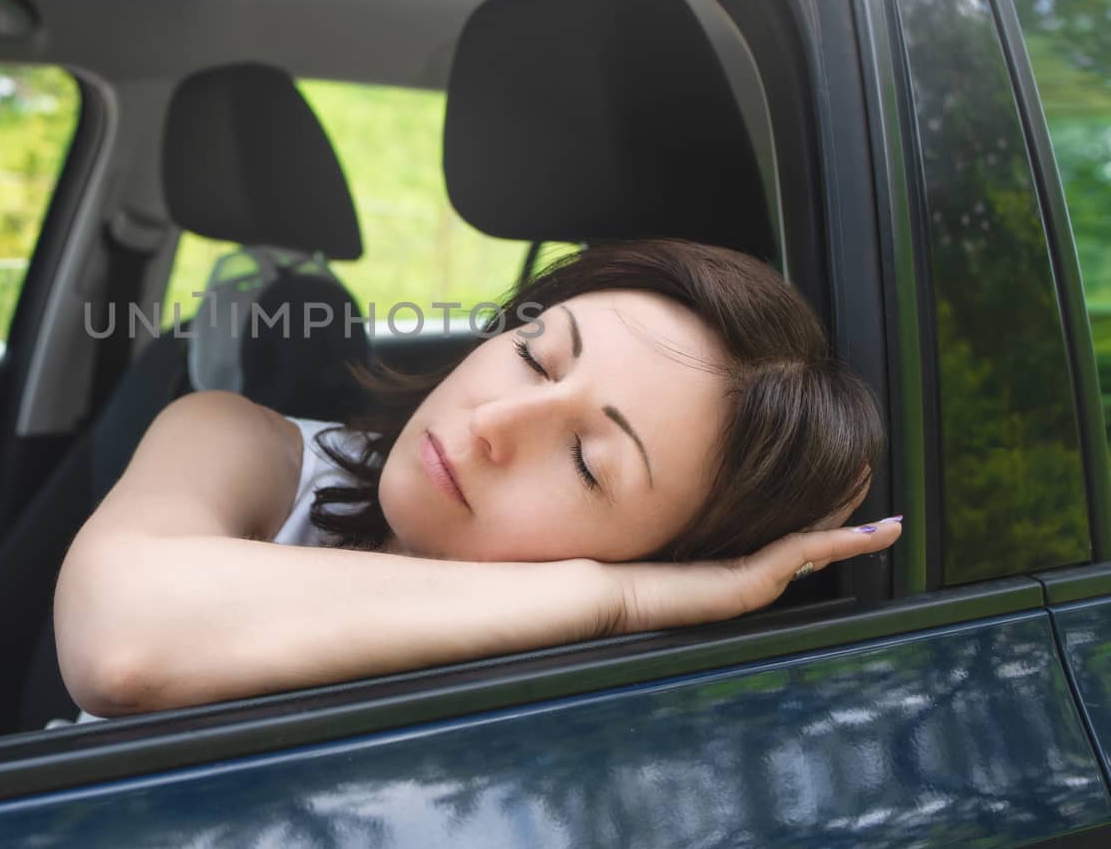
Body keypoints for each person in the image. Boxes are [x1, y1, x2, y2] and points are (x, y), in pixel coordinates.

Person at [54, 239, 901, 719]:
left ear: (662, 555)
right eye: (536, 356)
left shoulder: (579, 712)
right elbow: (124, 643)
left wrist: (631, 607)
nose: (493, 424)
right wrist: (621, 598)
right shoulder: (236, 439)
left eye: (583, 461)